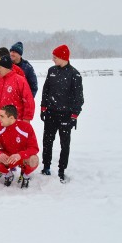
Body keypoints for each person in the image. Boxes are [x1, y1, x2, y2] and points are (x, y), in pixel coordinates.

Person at [40, 44, 84, 183]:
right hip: (51, 113)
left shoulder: (74, 74)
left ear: (63, 57)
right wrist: (43, 107)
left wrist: (74, 115)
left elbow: (79, 98)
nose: (53, 59)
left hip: (66, 115)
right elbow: (45, 90)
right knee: (47, 141)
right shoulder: (51, 71)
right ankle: (46, 166)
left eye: (55, 57)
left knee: (64, 144)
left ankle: (61, 170)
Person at [0, 105, 39, 188]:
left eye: (2, 116)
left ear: (11, 118)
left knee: (34, 159)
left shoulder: (26, 127)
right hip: (8, 157)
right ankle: (8, 175)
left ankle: (25, 176)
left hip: (22, 157)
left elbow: (34, 148)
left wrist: (20, 155)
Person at [0, 55, 35, 127]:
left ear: (6, 68)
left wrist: (27, 118)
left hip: (15, 121)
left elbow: (28, 101)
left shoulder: (20, 80)